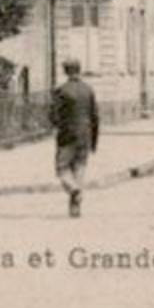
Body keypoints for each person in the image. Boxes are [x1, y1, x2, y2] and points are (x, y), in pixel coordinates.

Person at [49, 58, 99, 218]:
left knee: (62, 168)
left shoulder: (61, 91)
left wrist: (58, 126)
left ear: (66, 71)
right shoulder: (88, 90)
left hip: (67, 136)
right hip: (85, 135)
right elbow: (95, 117)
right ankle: (75, 208)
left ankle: (73, 189)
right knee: (80, 168)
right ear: (79, 70)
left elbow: (54, 116)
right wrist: (94, 141)